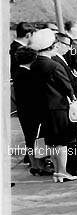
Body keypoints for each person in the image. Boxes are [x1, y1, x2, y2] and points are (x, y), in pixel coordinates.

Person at [29, 28, 77, 183]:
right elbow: (67, 87)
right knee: (62, 142)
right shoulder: (54, 66)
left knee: (51, 142)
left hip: (44, 109)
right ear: (50, 47)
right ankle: (62, 171)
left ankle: (57, 171)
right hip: (59, 108)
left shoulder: (34, 65)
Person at [53, 32, 77, 177]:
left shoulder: (60, 59)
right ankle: (73, 167)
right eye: (67, 45)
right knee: (71, 138)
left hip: (67, 102)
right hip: (66, 104)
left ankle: (75, 166)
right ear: (58, 44)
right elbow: (66, 83)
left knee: (74, 138)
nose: (69, 49)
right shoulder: (56, 60)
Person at [13, 46, 52, 175]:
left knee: (30, 138)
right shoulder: (28, 74)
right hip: (33, 110)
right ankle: (40, 165)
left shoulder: (18, 72)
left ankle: (35, 164)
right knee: (38, 138)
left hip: (24, 111)